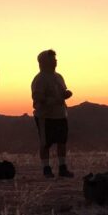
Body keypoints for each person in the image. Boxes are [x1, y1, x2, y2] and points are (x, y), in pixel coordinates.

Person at [31, 50, 74, 178]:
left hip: (60, 114)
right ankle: (46, 168)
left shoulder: (59, 76)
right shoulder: (39, 79)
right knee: (45, 143)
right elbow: (38, 98)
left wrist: (66, 94)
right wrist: (53, 100)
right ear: (44, 62)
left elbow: (62, 91)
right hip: (45, 116)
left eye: (55, 59)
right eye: (52, 59)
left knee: (62, 141)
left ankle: (62, 168)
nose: (56, 61)